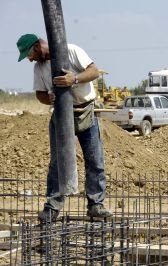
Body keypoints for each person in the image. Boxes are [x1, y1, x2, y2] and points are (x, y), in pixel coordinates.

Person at [16, 34, 112, 222]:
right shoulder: (39, 67)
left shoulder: (71, 50)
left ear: (37, 46)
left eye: (29, 54)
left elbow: (94, 72)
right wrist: (49, 98)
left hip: (85, 111)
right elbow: (40, 94)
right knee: (57, 163)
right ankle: (52, 207)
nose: (30, 59)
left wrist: (74, 79)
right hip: (60, 115)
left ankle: (96, 205)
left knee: (95, 160)